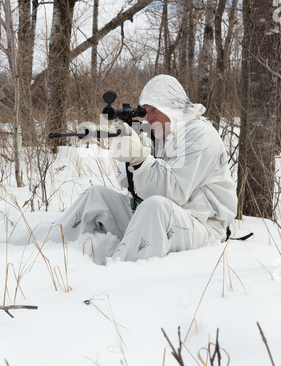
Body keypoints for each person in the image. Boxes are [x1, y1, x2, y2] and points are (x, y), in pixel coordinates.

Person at [57, 74, 237, 262]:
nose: (148, 118)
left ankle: (114, 277)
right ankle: (49, 253)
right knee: (96, 196)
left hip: (204, 226)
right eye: (145, 111)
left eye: (155, 110)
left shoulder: (200, 134)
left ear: (172, 108)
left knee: (154, 206)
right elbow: (126, 182)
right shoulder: (162, 134)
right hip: (162, 217)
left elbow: (172, 193)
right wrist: (129, 153)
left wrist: (140, 159)